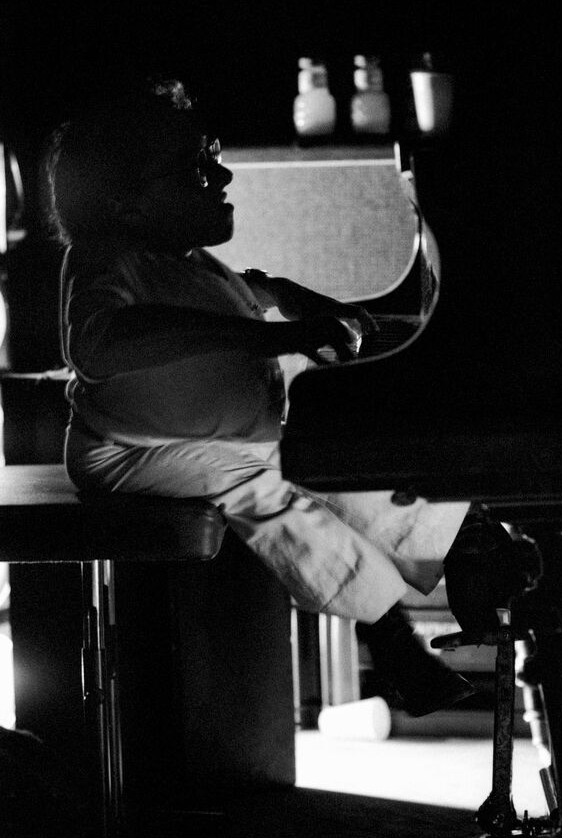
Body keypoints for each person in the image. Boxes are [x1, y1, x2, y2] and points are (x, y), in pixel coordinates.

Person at [43, 76, 528, 718]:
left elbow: (240, 290)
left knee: (329, 462)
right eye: (195, 168)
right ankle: (392, 639)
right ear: (126, 205)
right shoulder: (101, 262)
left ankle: (463, 543)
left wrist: (283, 296)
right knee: (267, 486)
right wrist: (266, 337)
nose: (221, 176)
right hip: (127, 452)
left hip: (231, 435)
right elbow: (99, 344)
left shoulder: (187, 259)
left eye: (213, 156)